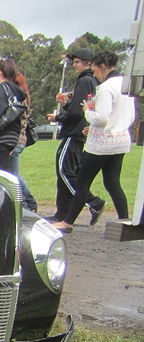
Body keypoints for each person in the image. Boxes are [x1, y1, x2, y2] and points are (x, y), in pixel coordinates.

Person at [52, 52, 135, 232]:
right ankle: (123, 220)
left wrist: (87, 112)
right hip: (120, 141)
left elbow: (101, 118)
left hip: (101, 144)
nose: (95, 75)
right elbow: (129, 115)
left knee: (82, 182)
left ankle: (67, 222)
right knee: (113, 182)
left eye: (95, 70)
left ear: (102, 66)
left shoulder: (105, 87)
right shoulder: (126, 85)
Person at [46, 48, 105, 225]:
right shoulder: (90, 81)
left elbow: (77, 111)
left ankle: (93, 202)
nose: (74, 65)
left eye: (77, 62)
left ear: (88, 63)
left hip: (74, 133)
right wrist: (66, 104)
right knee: (66, 171)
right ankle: (62, 214)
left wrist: (59, 116)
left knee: (65, 171)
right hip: (79, 132)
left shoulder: (85, 80)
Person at [8, 68, 38, 211]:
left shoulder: (18, 100)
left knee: (12, 175)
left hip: (15, 140)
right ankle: (26, 202)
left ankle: (29, 202)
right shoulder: (23, 98)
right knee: (13, 174)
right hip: (18, 140)